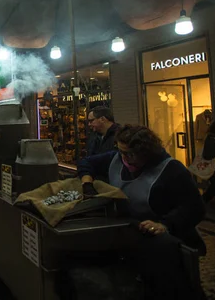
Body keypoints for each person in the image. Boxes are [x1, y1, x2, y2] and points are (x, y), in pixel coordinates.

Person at [77, 125, 206, 300]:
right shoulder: (116, 159)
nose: (125, 158)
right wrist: (87, 183)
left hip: (163, 245)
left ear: (147, 152)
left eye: (131, 154)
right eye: (121, 152)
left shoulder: (171, 170)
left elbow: (194, 207)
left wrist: (165, 224)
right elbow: (86, 162)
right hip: (131, 234)